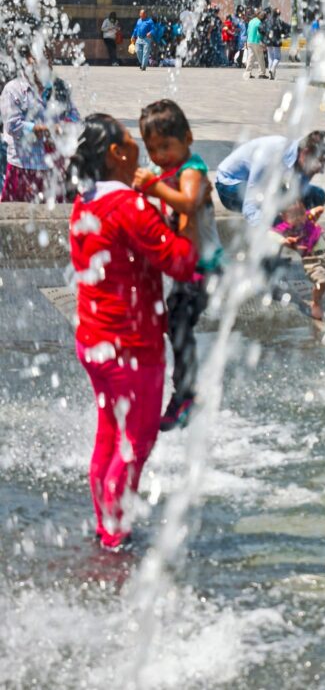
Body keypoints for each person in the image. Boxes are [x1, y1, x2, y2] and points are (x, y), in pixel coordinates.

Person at [69, 114, 197, 550]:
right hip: (132, 350)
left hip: (95, 341)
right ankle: (113, 540)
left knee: (109, 435)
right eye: (129, 141)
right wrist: (189, 212)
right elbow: (180, 262)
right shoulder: (128, 205)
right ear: (115, 154)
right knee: (133, 446)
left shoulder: (86, 200)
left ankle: (106, 525)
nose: (138, 148)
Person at [133, 99, 223, 430]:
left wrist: (154, 186)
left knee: (178, 321)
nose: (160, 156)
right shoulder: (166, 171)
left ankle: (187, 394)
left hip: (206, 267)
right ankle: (183, 392)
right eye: (153, 149)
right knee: (174, 322)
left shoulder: (193, 170)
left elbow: (188, 200)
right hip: (187, 266)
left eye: (167, 146)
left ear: (188, 138)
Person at [1, 48, 80, 202]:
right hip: (23, 165)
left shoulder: (60, 88)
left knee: (53, 214)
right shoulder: (14, 89)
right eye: (36, 59)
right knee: (15, 215)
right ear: (27, 61)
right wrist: (46, 130)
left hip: (53, 166)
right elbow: (13, 126)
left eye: (47, 59)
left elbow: (75, 117)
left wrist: (65, 127)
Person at [213, 132, 325, 224]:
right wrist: (279, 228)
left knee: (318, 195)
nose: (321, 170)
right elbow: (250, 210)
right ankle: (268, 250)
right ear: (306, 153)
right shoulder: (270, 156)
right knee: (276, 204)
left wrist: (303, 221)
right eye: (320, 163)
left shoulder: (302, 160)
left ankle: (300, 238)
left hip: (266, 185)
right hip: (229, 186)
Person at [272, 201, 325, 321]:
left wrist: (314, 212)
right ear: (284, 217)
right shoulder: (286, 227)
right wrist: (283, 241)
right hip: (311, 258)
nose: (299, 219)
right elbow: (271, 234)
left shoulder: (307, 219)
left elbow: (320, 208)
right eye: (293, 216)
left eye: (301, 214)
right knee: (322, 282)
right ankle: (316, 303)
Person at [245, 8, 268, 79]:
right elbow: (259, 33)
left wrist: (246, 41)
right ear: (260, 15)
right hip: (256, 41)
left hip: (249, 41)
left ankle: (248, 72)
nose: (263, 17)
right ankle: (261, 73)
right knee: (260, 58)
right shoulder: (259, 22)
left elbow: (248, 31)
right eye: (262, 15)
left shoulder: (251, 21)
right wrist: (262, 42)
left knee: (250, 58)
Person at [264, 8, 287, 79]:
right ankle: (272, 69)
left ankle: (271, 75)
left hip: (268, 41)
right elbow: (283, 30)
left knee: (270, 57)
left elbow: (262, 29)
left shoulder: (268, 21)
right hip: (276, 41)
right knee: (277, 57)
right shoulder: (279, 22)